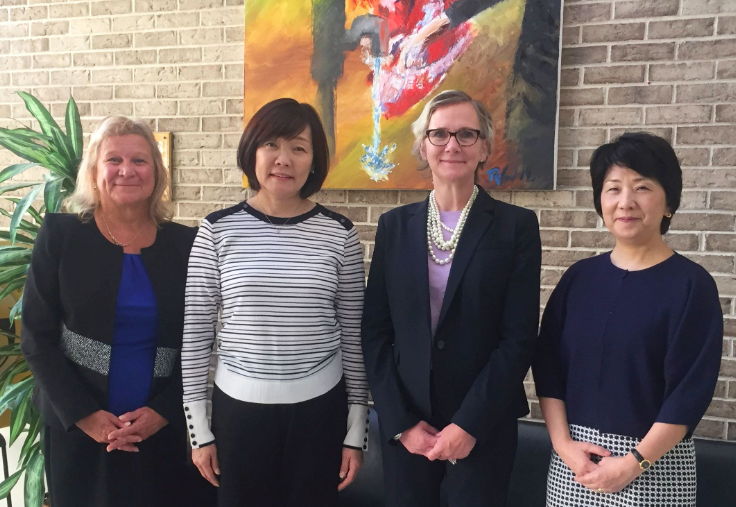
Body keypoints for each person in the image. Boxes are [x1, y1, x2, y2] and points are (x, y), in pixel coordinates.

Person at [182, 98, 370, 507]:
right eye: (272, 144)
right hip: (238, 413)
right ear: (252, 152)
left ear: (314, 160)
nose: (284, 159)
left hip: (320, 412)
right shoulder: (216, 230)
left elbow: (355, 339)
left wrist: (356, 431)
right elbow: (196, 336)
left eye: (299, 148)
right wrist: (199, 430)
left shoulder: (340, 234)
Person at [361, 89, 542, 507]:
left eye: (465, 134)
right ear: (423, 145)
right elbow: (374, 333)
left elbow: (518, 339)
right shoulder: (394, 227)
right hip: (409, 427)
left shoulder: (516, 227)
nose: (452, 145)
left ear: (484, 146)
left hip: (483, 426)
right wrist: (400, 423)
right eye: (439, 134)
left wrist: (470, 424)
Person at [21, 116, 210, 507]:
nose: (127, 170)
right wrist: (86, 416)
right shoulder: (60, 236)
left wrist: (164, 411)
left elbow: (202, 341)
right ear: (94, 171)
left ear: (157, 174)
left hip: (162, 429)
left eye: (140, 161)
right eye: (114, 160)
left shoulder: (187, 244)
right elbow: (37, 337)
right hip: (80, 429)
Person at [533, 132, 723, 507]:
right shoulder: (578, 278)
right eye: (613, 188)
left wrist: (633, 463)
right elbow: (548, 366)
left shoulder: (692, 286)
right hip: (575, 467)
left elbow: (689, 392)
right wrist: (563, 445)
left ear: (669, 201)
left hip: (654, 467)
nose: (626, 202)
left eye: (642, 187)